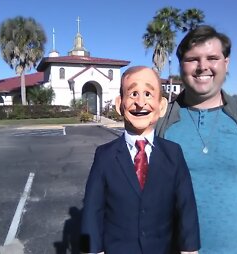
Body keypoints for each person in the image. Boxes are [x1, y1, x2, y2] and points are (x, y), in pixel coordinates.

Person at [156, 25, 237, 253]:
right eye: (192, 59)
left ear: (226, 63)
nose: (203, 66)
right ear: (181, 66)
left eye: (212, 58)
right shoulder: (160, 123)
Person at [80, 66, 200, 254]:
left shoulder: (173, 154)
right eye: (133, 94)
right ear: (120, 104)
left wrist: (190, 249)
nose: (140, 102)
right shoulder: (105, 156)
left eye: (148, 94)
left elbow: (186, 208)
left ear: (161, 106)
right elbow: (92, 211)